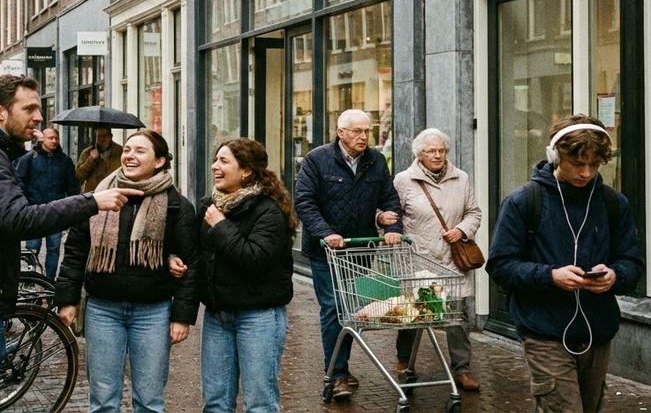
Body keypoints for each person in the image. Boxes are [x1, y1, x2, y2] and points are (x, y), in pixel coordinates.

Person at [0, 75, 141, 412]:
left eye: (40, 108)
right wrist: (92, 201)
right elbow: (17, 219)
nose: (39, 117)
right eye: (30, 108)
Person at [488, 114, 644, 413]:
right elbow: (501, 266)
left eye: (595, 165)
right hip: (544, 330)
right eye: (578, 164)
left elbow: (631, 263)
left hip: (597, 331)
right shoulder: (523, 201)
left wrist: (614, 275)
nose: (586, 173)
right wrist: (550, 276)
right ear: (555, 155)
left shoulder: (614, 203)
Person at [54, 128, 198, 413]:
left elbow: (191, 263)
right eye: (128, 150)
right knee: (104, 399)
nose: (130, 156)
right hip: (102, 309)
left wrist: (182, 316)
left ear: (159, 161)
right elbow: (75, 253)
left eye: (140, 151)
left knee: (149, 399)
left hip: (153, 312)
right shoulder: (98, 198)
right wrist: (67, 299)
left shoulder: (176, 205)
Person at [294, 108, 404, 401]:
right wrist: (325, 233)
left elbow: (389, 198)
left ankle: (338, 365)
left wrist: (392, 222)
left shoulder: (376, 161)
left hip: (361, 249)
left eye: (367, 131)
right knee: (333, 309)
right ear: (341, 133)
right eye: (357, 131)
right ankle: (337, 376)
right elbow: (304, 201)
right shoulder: (317, 159)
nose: (364, 137)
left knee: (351, 310)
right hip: (326, 253)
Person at [193, 138, 296, 413]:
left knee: (260, 404)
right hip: (217, 315)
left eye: (224, 161)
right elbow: (198, 255)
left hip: (258, 316)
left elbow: (254, 260)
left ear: (246, 171)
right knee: (215, 403)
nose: (215, 166)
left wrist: (220, 225)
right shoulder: (210, 206)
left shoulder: (268, 211)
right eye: (215, 159)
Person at [390, 128, 483, 392]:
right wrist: (383, 222)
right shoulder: (403, 180)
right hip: (418, 261)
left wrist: (462, 230)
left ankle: (462, 369)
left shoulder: (461, 178)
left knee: (457, 317)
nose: (438, 155)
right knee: (413, 317)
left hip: (453, 260)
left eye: (441, 150)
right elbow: (389, 214)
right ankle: (404, 362)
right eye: (431, 151)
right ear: (419, 154)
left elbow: (474, 212)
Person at [14, 127, 79, 280]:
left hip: (56, 213)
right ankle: (30, 281)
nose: (54, 141)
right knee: (32, 250)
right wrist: (24, 204)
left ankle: (48, 282)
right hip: (34, 212)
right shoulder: (30, 158)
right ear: (42, 139)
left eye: (56, 138)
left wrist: (73, 211)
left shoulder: (65, 161)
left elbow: (72, 187)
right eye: (51, 138)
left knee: (54, 249)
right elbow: (19, 181)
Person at [75, 126, 122, 193]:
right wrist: (90, 160)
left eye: (105, 136)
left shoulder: (120, 152)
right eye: (99, 136)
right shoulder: (87, 152)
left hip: (113, 192)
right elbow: (79, 175)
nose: (102, 139)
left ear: (111, 136)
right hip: (93, 194)